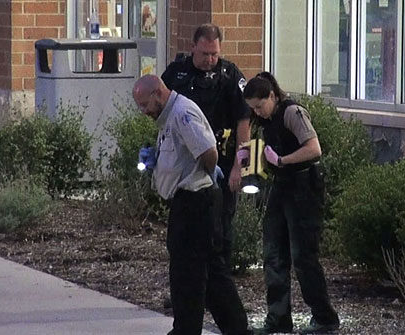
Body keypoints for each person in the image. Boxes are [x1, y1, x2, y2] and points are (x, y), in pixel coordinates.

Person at [133, 74, 251, 335]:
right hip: (191, 202)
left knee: (188, 275)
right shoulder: (169, 117)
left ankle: (187, 330)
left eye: (144, 104)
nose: (143, 111)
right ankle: (236, 329)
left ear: (158, 94)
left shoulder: (182, 114)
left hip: (196, 202)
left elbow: (209, 152)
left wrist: (205, 176)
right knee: (211, 275)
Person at [242, 72, 340, 334]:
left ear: (272, 96)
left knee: (303, 256)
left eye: (260, 106)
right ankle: (278, 318)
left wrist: (282, 160)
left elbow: (314, 149)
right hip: (282, 186)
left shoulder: (292, 113)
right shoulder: (268, 118)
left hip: (303, 186)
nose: (258, 113)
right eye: (253, 109)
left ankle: (324, 317)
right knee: (273, 253)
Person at [161, 23, 250, 268]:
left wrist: (238, 167)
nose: (210, 59)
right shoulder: (177, 73)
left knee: (220, 228)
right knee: (184, 228)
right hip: (185, 163)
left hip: (220, 159)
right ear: (192, 48)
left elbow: (244, 123)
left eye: (215, 54)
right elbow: (160, 113)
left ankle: (218, 287)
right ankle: (188, 285)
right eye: (205, 54)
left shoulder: (230, 76)